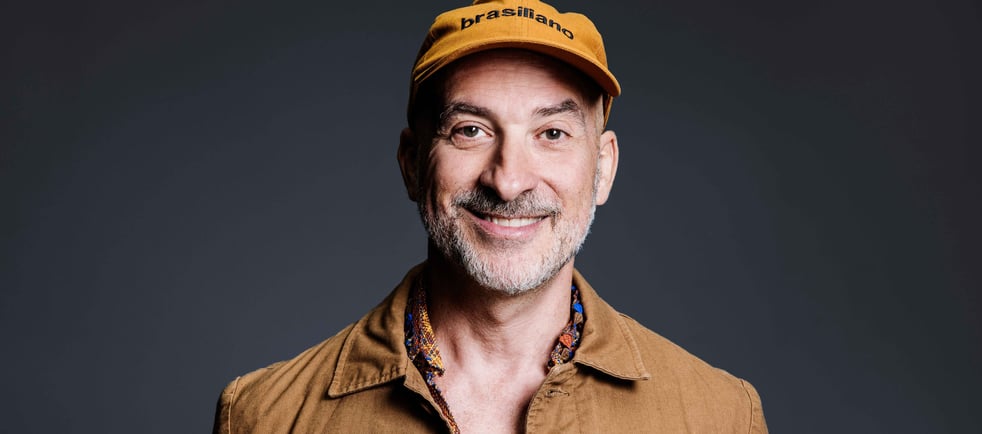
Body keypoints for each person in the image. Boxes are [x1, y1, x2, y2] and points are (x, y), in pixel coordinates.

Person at [213, 0, 768, 432]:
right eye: (471, 130)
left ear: (603, 170)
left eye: (552, 133)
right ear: (412, 164)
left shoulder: (719, 418)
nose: (508, 180)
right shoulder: (264, 419)